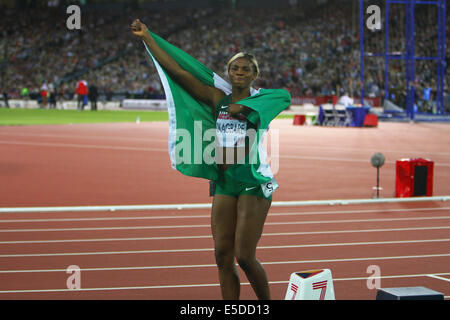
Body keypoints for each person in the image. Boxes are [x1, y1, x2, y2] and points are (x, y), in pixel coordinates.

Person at [131, 19, 290, 300]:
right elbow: (179, 72)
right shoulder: (219, 99)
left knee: (244, 255)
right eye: (234, 68)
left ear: (255, 75)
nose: (239, 72)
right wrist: (149, 39)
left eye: (245, 69)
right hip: (225, 182)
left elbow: (284, 97)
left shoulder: (265, 99)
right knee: (222, 255)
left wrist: (247, 107)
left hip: (253, 182)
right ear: (228, 72)